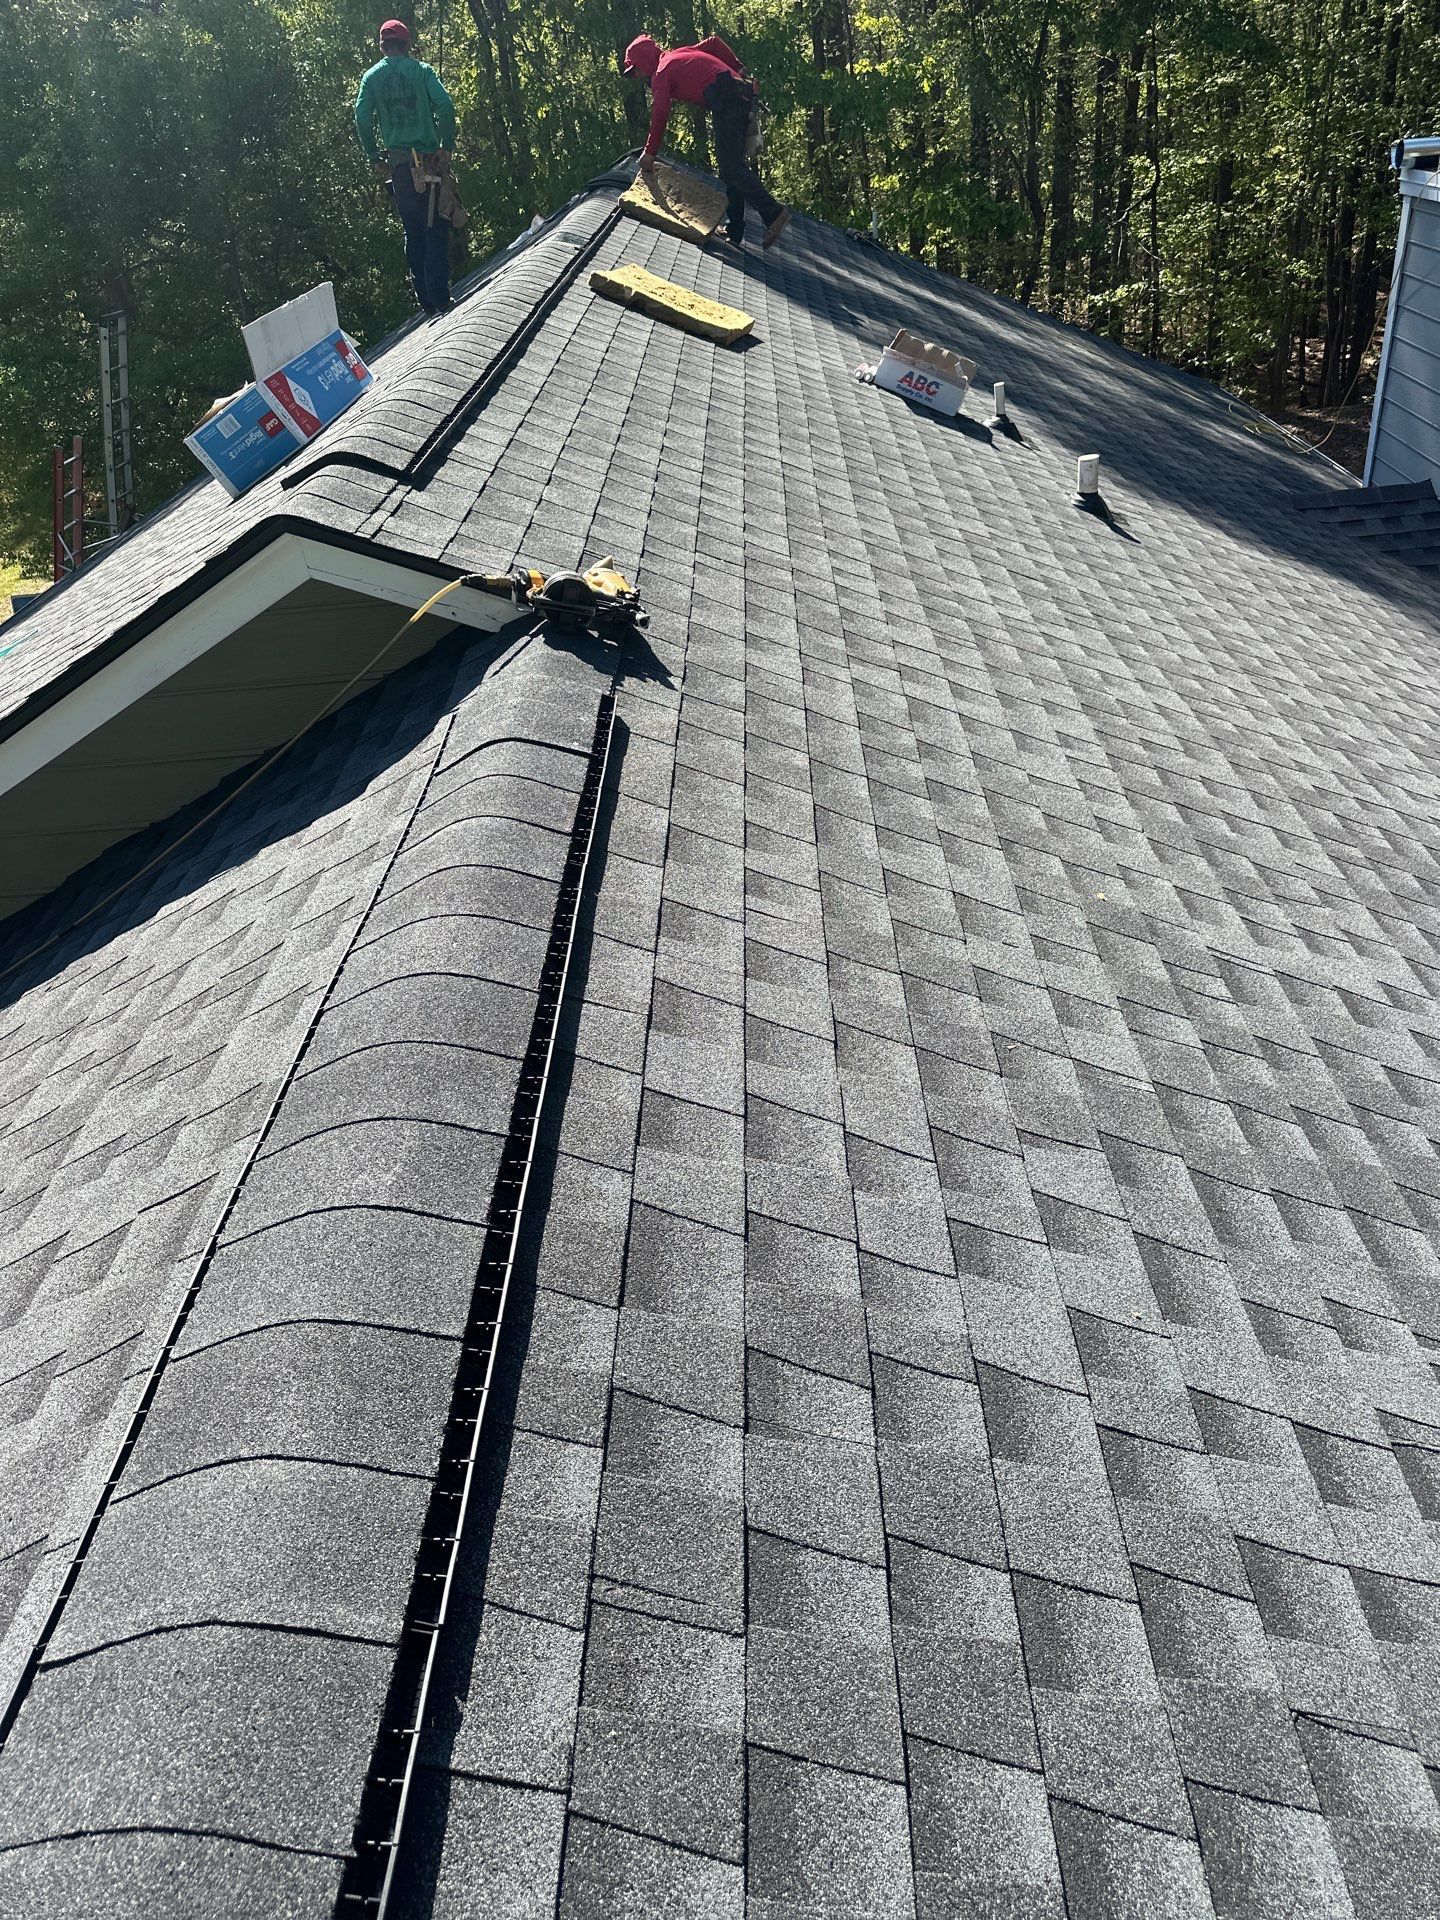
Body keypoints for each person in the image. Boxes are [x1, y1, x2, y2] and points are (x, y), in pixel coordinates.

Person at [623, 33, 790, 250]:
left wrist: (650, 153)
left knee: (731, 169)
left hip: (729, 99)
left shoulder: (661, 72)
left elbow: (661, 111)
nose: (636, 75)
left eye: (635, 69)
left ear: (645, 60)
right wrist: (739, 69)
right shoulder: (679, 54)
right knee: (730, 168)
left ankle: (774, 214)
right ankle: (735, 230)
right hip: (737, 95)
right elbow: (713, 43)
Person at [354, 20, 458, 314]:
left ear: (383, 47)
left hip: (400, 168)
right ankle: (440, 296)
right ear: (406, 44)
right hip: (429, 163)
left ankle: (426, 301)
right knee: (436, 225)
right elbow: (445, 106)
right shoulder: (422, 72)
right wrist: (447, 146)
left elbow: (361, 117)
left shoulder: (371, 78)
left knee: (413, 230)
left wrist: (374, 156)